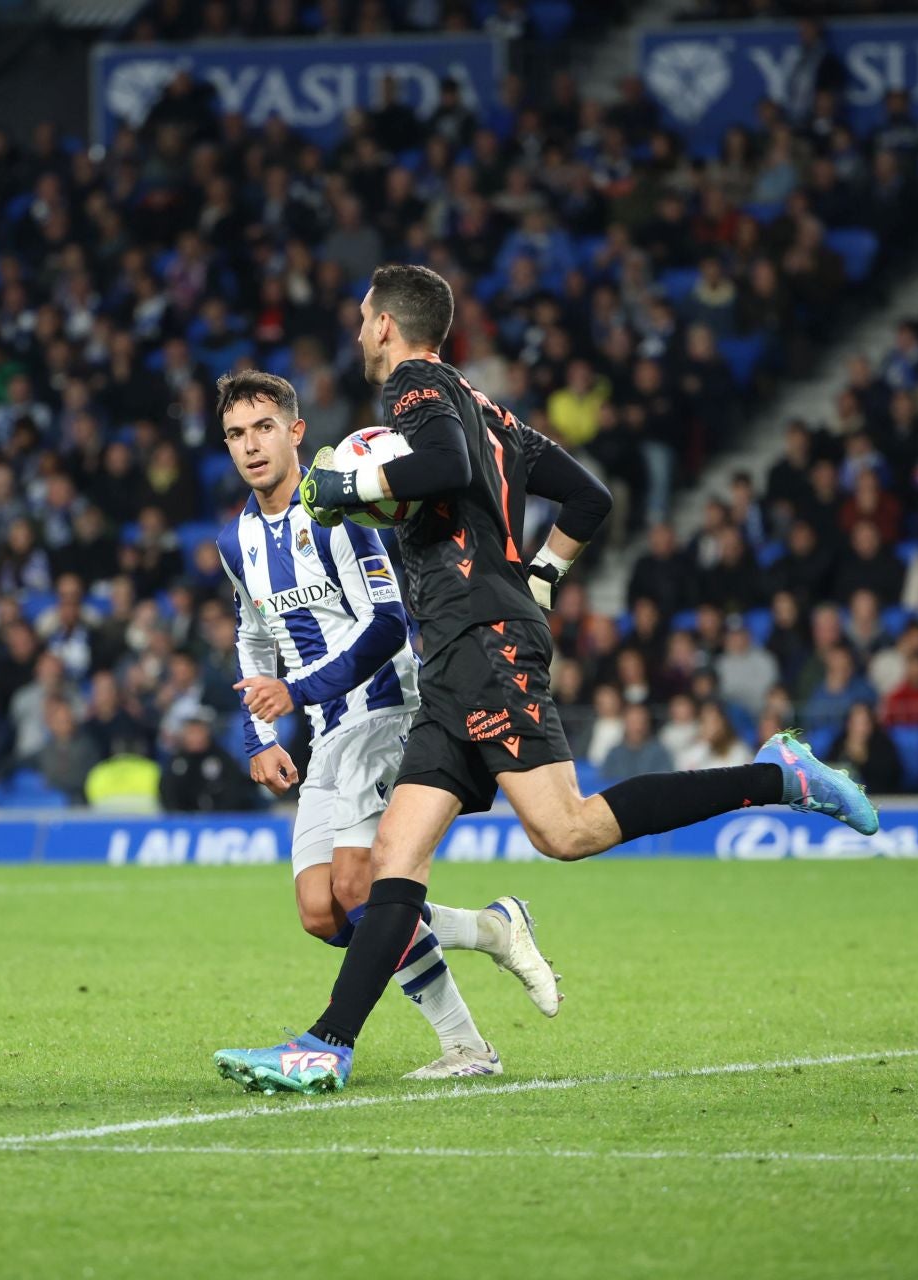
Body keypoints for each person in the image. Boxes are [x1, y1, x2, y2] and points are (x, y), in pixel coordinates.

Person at [214, 264, 877, 1093]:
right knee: (394, 859)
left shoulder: (415, 389)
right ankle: (327, 1045)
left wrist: (348, 483)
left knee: (566, 831)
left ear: (387, 325)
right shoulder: (493, 411)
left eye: (361, 319)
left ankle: (784, 777)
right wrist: (543, 577)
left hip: (483, 643)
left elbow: (446, 465)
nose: (357, 332)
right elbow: (589, 499)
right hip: (459, 651)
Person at [213, 370, 556, 1081]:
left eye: (263, 428)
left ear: (295, 432)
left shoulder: (337, 512)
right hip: (319, 727)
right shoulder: (236, 538)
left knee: (361, 890)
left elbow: (385, 624)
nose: (251, 446)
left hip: (382, 710)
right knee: (321, 912)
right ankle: (491, 928)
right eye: (236, 434)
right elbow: (252, 635)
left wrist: (297, 687)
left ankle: (465, 1048)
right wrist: (261, 734)